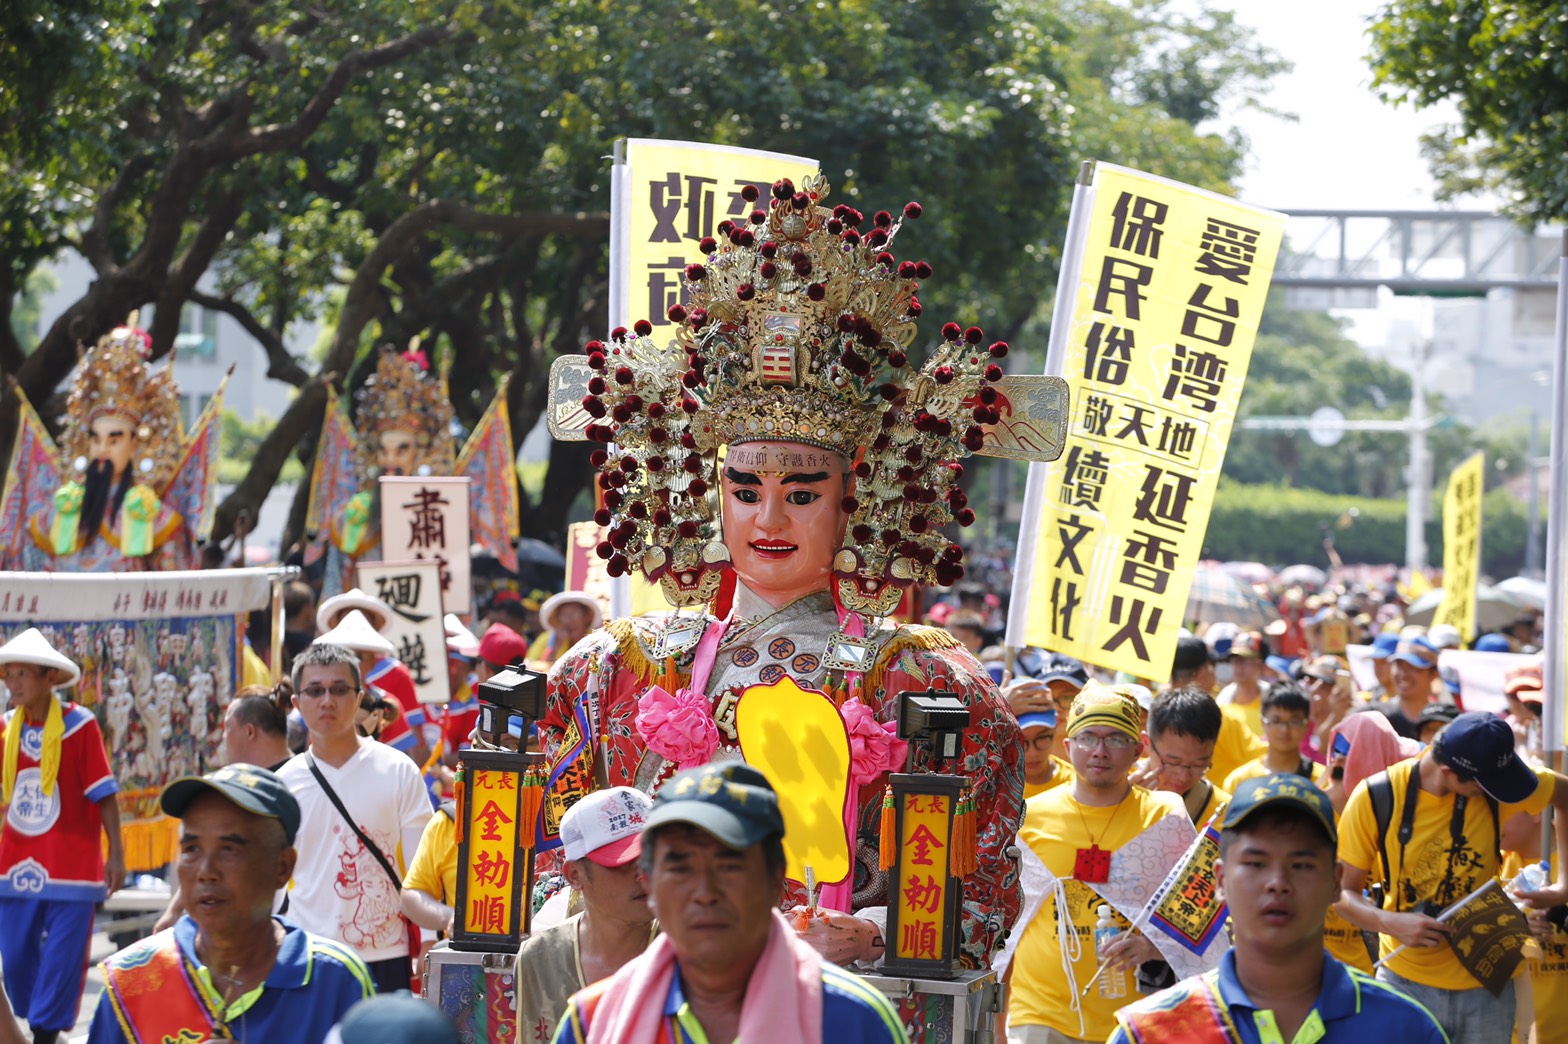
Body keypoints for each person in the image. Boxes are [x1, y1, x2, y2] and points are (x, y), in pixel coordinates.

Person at [539, 177, 1033, 971]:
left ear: (854, 503)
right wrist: (588, 915)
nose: (769, 521)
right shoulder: (614, 667)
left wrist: (874, 932)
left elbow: (980, 879)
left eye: (802, 494)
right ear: (711, 500)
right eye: (746, 491)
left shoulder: (920, 677)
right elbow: (540, 840)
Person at [551, 763, 908, 1043]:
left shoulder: (855, 1019)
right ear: (651, 884)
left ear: (773, 880)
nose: (705, 892)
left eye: (730, 867)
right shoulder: (593, 1022)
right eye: (680, 868)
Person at [1109, 774, 1448, 1044]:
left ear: (1335, 882)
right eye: (1255, 863)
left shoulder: (1406, 1029)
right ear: (1221, 881)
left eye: (1301, 865)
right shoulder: (1150, 1032)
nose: (1277, 883)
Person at [90, 765, 373, 1042]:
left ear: (282, 867)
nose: (206, 871)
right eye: (191, 849)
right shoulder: (130, 983)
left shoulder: (336, 981)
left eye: (229, 850)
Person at [1335, 710, 1568, 1042]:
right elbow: (1342, 894)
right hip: (1405, 984)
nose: (1501, 790)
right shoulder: (1377, 796)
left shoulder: (1492, 783)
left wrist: (1564, 887)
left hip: (1489, 985)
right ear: (1449, 772)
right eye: (1488, 784)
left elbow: (1564, 794)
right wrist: (1388, 921)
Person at [1005, 683, 1190, 1043]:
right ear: (1068, 745)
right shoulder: (1030, 818)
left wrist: (1154, 945)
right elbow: (1010, 927)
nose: (1100, 751)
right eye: (1088, 737)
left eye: (1116, 739)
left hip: (1136, 1020)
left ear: (1140, 749)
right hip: (1040, 1017)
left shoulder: (1166, 816)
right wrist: (999, 1025)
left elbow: (1200, 912)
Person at [280, 643, 433, 994]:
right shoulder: (283, 784)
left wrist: (428, 939)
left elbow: (422, 866)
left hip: (384, 953)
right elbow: (274, 880)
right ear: (297, 703)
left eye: (339, 689)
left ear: (360, 696)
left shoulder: (398, 770)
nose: (327, 701)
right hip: (308, 953)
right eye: (315, 691)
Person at [2, 317, 208, 572]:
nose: (102, 448)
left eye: (115, 439)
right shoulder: (53, 516)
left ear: (137, 443)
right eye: (95, 438)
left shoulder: (158, 522)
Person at [0, 628, 124, 1044]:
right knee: (15, 961)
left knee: (62, 962)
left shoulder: (79, 725)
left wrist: (117, 856)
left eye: (22, 674)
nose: (13, 683)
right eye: (8, 675)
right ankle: (41, 1024)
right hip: (15, 865)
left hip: (73, 868)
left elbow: (104, 794)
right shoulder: (5, 730)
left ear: (48, 678)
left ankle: (46, 1035)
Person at [514, 787, 657, 1043]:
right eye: (623, 863)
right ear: (575, 875)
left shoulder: (685, 945)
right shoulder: (539, 957)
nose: (643, 874)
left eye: (650, 858)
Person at [154, 683, 298, 934]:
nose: (222, 738)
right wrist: (174, 911)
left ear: (249, 731)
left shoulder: (302, 783)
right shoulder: (227, 787)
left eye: (227, 728)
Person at [315, 609, 426, 763]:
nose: (348, 662)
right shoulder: (316, 699)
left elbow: (403, 761)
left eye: (357, 656)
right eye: (341, 654)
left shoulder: (386, 703)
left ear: (373, 661)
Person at [1166, 636, 1264, 788]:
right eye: (1211, 666)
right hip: (1213, 808)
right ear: (1201, 673)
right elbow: (1264, 756)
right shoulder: (1221, 718)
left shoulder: (1154, 713)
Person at [1144, 686, 1230, 827]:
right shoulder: (1113, 792)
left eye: (1198, 765)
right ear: (1147, 743)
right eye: (1172, 762)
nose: (1184, 776)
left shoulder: (1225, 814)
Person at [1223, 681, 1325, 791]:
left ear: (1306, 724)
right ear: (1262, 722)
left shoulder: (1322, 780)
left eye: (1294, 721)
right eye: (1276, 721)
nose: (1284, 730)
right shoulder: (1239, 782)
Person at [1370, 636, 1439, 740]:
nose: (1403, 674)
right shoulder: (1373, 717)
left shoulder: (1442, 721)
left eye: (1413, 668)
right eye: (1399, 666)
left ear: (1434, 674)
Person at [527, 592, 604, 669]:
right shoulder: (546, 639)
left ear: (586, 617)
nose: (569, 620)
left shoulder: (598, 641)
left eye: (574, 613)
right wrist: (556, 645)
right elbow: (531, 667)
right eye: (564, 615)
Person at [1215, 630, 1271, 736]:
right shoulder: (1224, 698)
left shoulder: (1272, 697)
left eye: (1247, 660)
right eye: (1236, 660)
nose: (1239, 666)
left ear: (1261, 665)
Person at [1020, 709, 1071, 800]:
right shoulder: (992, 785)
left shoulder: (1075, 782)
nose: (1033, 753)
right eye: (1021, 741)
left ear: (1055, 731)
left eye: (1042, 738)